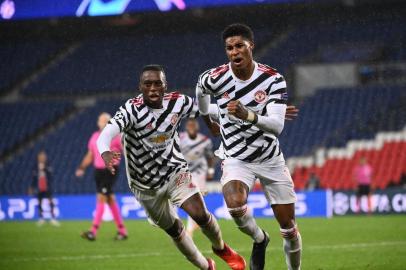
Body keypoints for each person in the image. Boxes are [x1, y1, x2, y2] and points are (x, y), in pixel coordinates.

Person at [97, 65, 246, 270]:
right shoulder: (131, 110)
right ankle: (206, 266)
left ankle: (220, 248)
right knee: (175, 230)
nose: (153, 88)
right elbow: (106, 133)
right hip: (145, 187)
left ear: (165, 85)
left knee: (200, 215)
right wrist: (104, 150)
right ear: (140, 86)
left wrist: (236, 115)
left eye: (158, 83)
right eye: (147, 84)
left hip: (175, 173)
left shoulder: (178, 102)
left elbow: (206, 108)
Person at [196, 23, 302, 270]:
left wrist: (247, 114)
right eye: (229, 48)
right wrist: (207, 121)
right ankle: (259, 238)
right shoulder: (214, 77)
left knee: (288, 228)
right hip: (236, 157)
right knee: (234, 206)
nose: (234, 52)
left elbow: (276, 126)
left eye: (239, 46)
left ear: (250, 46)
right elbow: (200, 91)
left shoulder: (273, 79)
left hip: (269, 158)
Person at [75, 112, 128, 241]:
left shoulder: (115, 136)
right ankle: (122, 231)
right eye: (101, 120)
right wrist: (82, 167)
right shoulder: (94, 136)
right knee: (110, 199)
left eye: (105, 121)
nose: (102, 123)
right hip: (98, 171)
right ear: (98, 123)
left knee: (101, 197)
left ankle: (93, 231)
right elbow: (90, 154)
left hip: (110, 170)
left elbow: (126, 151)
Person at [179, 118, 216, 237]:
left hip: (200, 172)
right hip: (185, 172)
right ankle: (200, 220)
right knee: (190, 198)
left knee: (195, 197)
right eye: (189, 126)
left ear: (197, 127)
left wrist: (210, 171)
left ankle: (190, 229)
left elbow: (210, 157)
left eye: (193, 125)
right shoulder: (180, 138)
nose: (191, 128)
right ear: (186, 127)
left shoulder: (205, 141)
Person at [29, 150, 60, 227]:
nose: (43, 158)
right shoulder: (35, 166)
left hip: (47, 186)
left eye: (44, 156)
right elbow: (33, 178)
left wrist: (44, 168)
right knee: (39, 202)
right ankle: (41, 218)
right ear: (38, 157)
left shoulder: (48, 165)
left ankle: (53, 218)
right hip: (38, 186)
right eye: (41, 156)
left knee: (50, 201)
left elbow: (51, 174)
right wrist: (32, 187)